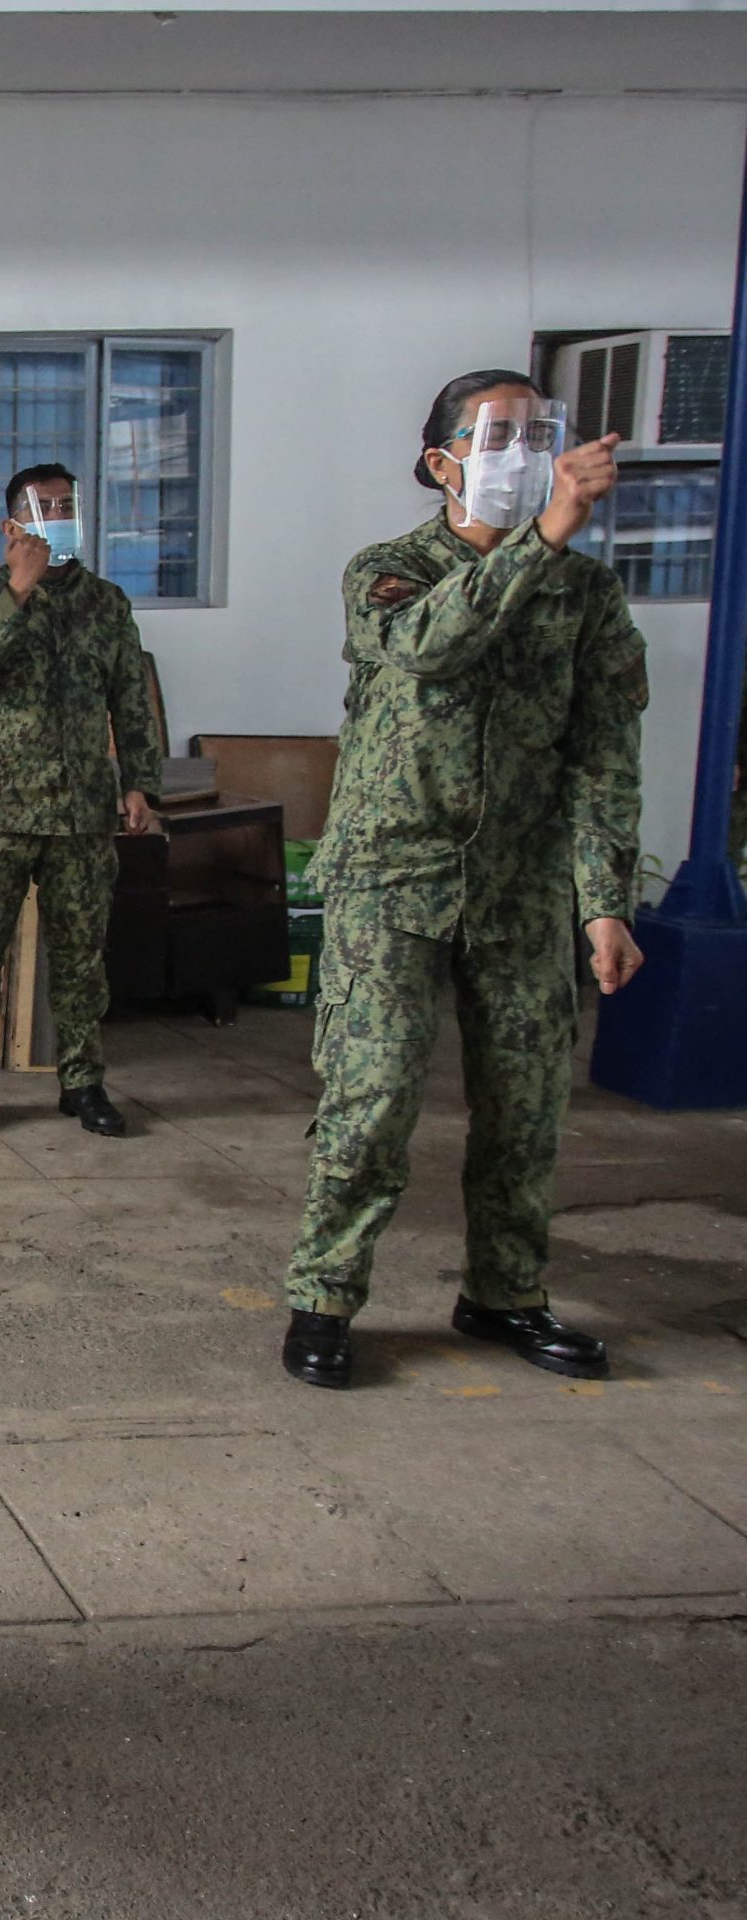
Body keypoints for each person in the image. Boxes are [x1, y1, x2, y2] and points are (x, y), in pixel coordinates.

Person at [280, 371, 646, 1390]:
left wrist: (604, 900)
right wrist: (537, 540)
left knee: (527, 1106)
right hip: (391, 882)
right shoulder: (389, 570)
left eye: (540, 435)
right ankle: (324, 1297)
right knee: (374, 1097)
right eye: (499, 437)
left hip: (520, 889)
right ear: (442, 462)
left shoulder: (584, 593)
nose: (525, 455)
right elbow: (428, 650)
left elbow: (602, 755)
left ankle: (504, 1296)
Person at [0, 463, 163, 1139]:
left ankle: (83, 1082)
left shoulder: (107, 604)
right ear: (13, 524)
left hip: (79, 814)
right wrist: (20, 589)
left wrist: (140, 781)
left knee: (81, 957)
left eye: (68, 505)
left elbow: (131, 697)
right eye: (45, 507)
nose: (59, 516)